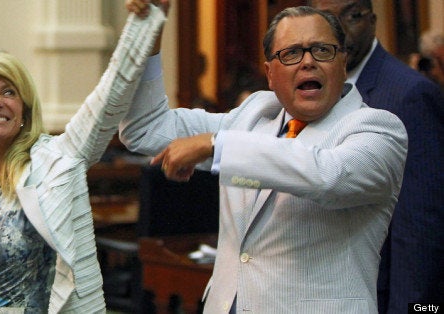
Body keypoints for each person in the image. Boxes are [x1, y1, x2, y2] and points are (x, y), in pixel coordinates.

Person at [124, 3, 407, 313]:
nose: (308, 62)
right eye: (291, 54)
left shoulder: (377, 128)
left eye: (322, 50)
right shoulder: (256, 115)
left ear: (343, 62)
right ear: (270, 74)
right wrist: (148, 30)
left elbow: (329, 175)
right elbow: (144, 129)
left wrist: (217, 146)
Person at [0, 5, 166, 313]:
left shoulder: (52, 164)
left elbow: (111, 93)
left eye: (8, 92)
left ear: (23, 110)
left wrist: (145, 20)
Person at [308, 1, 444, 312]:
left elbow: (419, 230)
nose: (339, 29)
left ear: (373, 20)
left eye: (352, 16)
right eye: (328, 18)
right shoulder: (307, 89)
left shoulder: (408, 95)